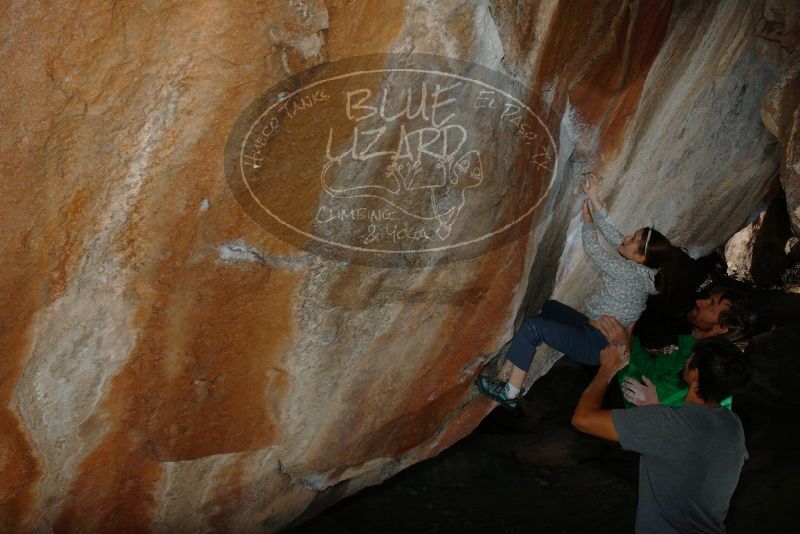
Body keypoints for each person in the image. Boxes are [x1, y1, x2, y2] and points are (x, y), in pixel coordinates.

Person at [476, 172, 672, 408]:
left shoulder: (628, 273)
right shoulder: (644, 270)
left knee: (532, 327)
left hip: (595, 345)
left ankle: (510, 393)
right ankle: (515, 362)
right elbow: (616, 237)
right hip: (590, 327)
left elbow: (593, 249)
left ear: (640, 257)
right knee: (549, 308)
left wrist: (587, 221)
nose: (627, 237)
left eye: (633, 239)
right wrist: (594, 198)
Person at [571, 336, 752, 533]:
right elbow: (690, 447)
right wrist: (657, 408)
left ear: (695, 373)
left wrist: (607, 369)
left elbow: (582, 418)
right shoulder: (732, 426)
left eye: (690, 358)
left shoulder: (665, 425)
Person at [593, 285, 753, 408]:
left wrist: (623, 346)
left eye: (710, 305)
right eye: (708, 298)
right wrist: (630, 339)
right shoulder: (692, 345)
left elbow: (636, 399)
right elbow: (653, 370)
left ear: (720, 328)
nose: (699, 301)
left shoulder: (705, 366)